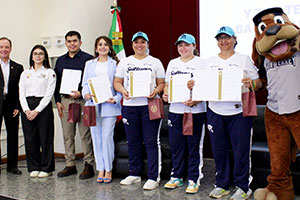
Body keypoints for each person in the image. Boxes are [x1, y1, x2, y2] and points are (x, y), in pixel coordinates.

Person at [188, 26, 262, 199]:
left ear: (235, 39)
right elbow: (202, 85)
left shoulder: (244, 59)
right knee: (219, 150)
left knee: (241, 151)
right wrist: (193, 85)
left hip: (239, 113)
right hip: (215, 111)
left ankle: (243, 187)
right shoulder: (210, 61)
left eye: (227, 37)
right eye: (220, 38)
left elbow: (258, 83)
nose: (223, 41)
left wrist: (251, 83)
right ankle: (221, 185)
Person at [114, 31, 165, 190]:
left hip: (150, 105)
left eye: (143, 42)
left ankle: (153, 176)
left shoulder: (155, 62)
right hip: (130, 107)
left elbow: (162, 83)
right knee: (133, 142)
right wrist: (123, 91)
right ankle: (134, 173)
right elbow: (117, 82)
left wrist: (156, 91)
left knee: (151, 142)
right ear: (132, 45)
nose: (139, 45)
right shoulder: (125, 62)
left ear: (147, 44)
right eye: (136, 42)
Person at [162, 33, 206, 194]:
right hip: (175, 110)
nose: (183, 48)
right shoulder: (173, 63)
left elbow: (207, 87)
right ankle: (177, 176)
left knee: (194, 146)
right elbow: (167, 85)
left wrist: (196, 99)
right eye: (180, 45)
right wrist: (166, 94)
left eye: (186, 45)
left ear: (194, 46)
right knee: (177, 145)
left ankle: (194, 178)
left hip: (195, 111)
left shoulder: (202, 63)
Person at [54, 31, 95, 180]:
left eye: (75, 41)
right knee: (68, 134)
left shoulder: (89, 59)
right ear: (66, 43)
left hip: (82, 100)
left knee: (85, 134)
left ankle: (89, 164)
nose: (72, 43)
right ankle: (70, 164)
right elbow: (56, 82)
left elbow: (91, 81)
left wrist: (81, 92)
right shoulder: (60, 61)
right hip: (65, 101)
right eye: (69, 41)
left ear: (80, 42)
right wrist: (57, 101)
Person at [82, 36, 122, 183]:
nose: (103, 47)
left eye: (105, 44)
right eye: (100, 44)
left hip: (109, 106)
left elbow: (119, 86)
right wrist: (86, 94)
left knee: (106, 138)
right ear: (96, 47)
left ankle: (109, 169)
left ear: (110, 47)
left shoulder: (116, 64)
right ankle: (101, 168)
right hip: (93, 105)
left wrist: (117, 99)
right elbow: (85, 84)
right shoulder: (89, 64)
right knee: (96, 138)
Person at [19, 45, 56, 178]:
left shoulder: (49, 72)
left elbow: (49, 94)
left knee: (45, 138)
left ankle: (47, 167)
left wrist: (37, 110)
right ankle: (33, 166)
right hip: (28, 107)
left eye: (41, 53)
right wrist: (26, 110)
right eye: (35, 53)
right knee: (30, 138)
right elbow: (21, 93)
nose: (38, 56)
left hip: (43, 107)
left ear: (45, 56)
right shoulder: (25, 73)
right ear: (32, 56)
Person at [0, 37, 24, 175]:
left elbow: (20, 89)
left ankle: (12, 166)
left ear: (10, 49)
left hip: (11, 105)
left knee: (13, 135)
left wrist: (18, 106)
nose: (4, 49)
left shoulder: (18, 67)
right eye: (1, 47)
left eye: (6, 47)